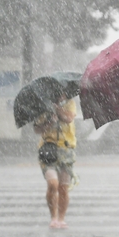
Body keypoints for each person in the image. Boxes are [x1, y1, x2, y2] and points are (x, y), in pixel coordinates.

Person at [34, 95, 79, 229]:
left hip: (66, 149)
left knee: (63, 188)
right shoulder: (42, 106)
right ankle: (53, 217)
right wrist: (49, 122)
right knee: (53, 184)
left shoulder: (69, 103)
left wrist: (56, 109)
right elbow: (37, 129)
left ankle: (61, 218)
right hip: (48, 150)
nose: (60, 95)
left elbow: (69, 118)